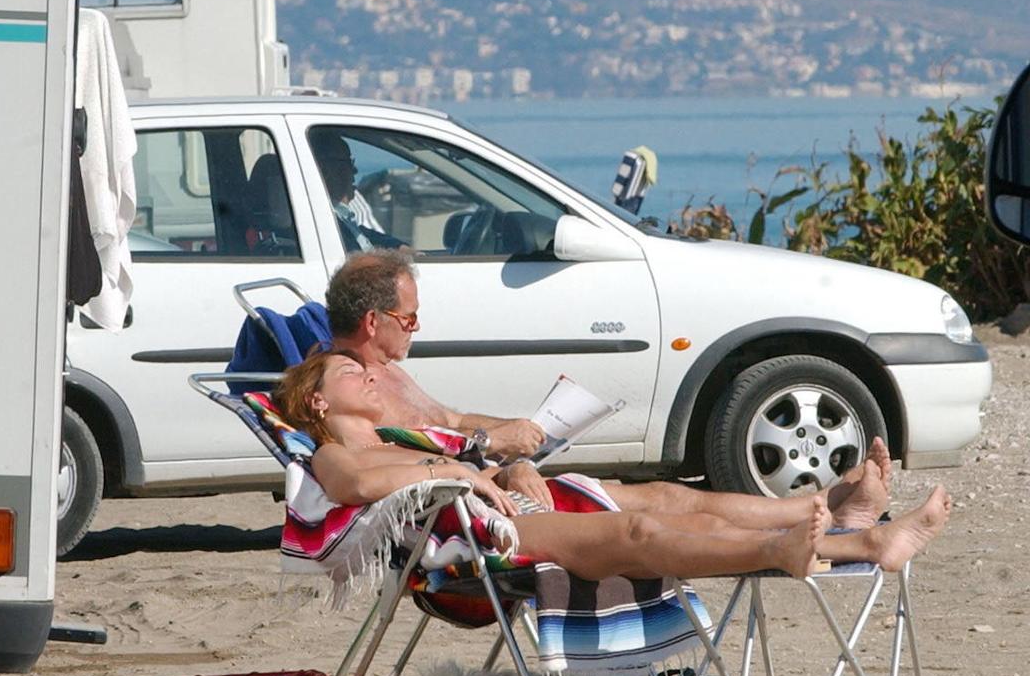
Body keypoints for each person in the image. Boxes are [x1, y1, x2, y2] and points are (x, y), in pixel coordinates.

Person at [325, 248, 897, 523]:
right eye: (409, 319)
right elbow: (378, 463)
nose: (418, 329)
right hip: (465, 513)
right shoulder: (345, 383)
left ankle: (823, 506)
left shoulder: (387, 374)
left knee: (665, 500)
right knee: (655, 517)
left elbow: (446, 423)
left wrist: (520, 434)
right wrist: (486, 462)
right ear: (373, 322)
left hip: (489, 484)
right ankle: (825, 522)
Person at [272, 349, 951, 580]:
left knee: (667, 497)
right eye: (348, 375)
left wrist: (506, 470)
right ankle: (828, 543)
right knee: (638, 536)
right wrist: (459, 475)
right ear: (315, 398)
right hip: (473, 542)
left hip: (504, 507)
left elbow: (475, 464)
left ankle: (837, 511)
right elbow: (358, 487)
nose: (367, 377)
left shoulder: (403, 433)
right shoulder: (333, 452)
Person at [310, 130, 403, 252]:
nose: (355, 170)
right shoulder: (319, 221)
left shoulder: (339, 215)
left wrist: (398, 246)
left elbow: (359, 232)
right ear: (324, 170)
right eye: (348, 163)